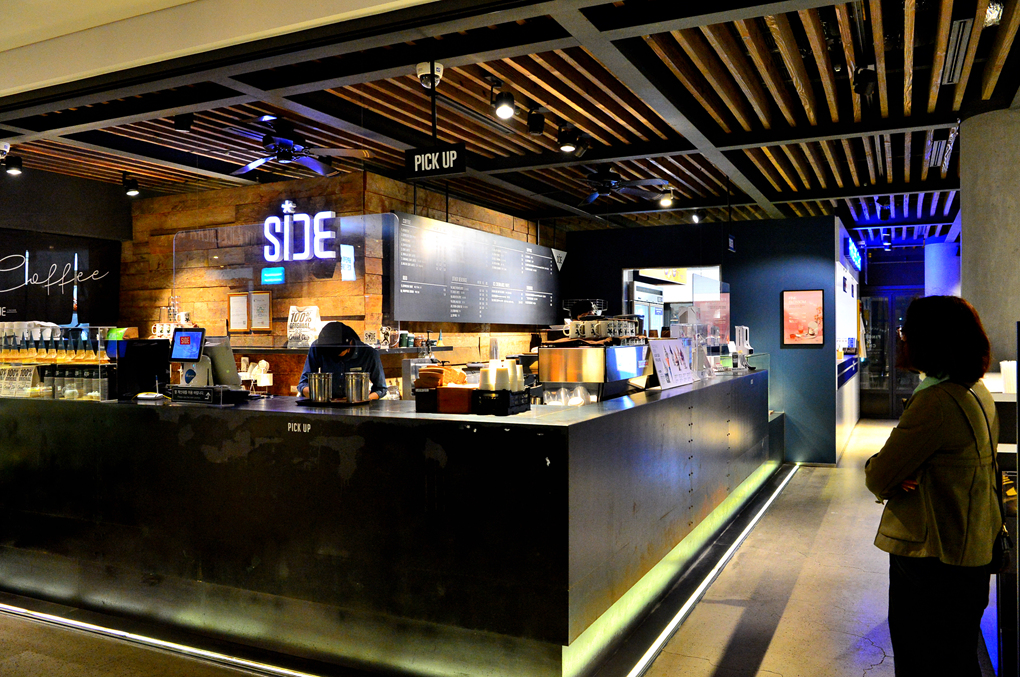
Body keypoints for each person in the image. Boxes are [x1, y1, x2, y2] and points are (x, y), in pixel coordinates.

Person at [864, 296, 1001, 677]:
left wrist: (880, 466)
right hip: (972, 546)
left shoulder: (935, 401)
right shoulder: (976, 390)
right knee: (958, 657)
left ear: (929, 341)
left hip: (932, 558)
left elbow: (880, 475)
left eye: (906, 333)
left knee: (921, 659)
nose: (902, 339)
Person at [298, 322, 387, 400]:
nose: (332, 357)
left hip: (357, 408)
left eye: (336, 354)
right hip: (326, 406)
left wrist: (364, 399)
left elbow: (380, 388)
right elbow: (303, 383)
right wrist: (316, 395)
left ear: (349, 346)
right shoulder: (318, 348)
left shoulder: (369, 354)